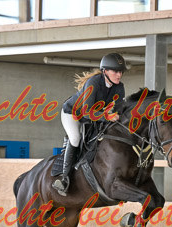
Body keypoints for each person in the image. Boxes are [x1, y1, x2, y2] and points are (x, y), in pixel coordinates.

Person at [52, 53, 127, 196]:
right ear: (105, 71)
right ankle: (64, 179)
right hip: (72, 113)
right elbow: (86, 112)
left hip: (92, 117)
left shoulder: (119, 87)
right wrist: (107, 116)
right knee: (75, 138)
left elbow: (119, 110)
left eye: (121, 72)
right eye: (115, 71)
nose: (119, 75)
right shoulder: (94, 82)